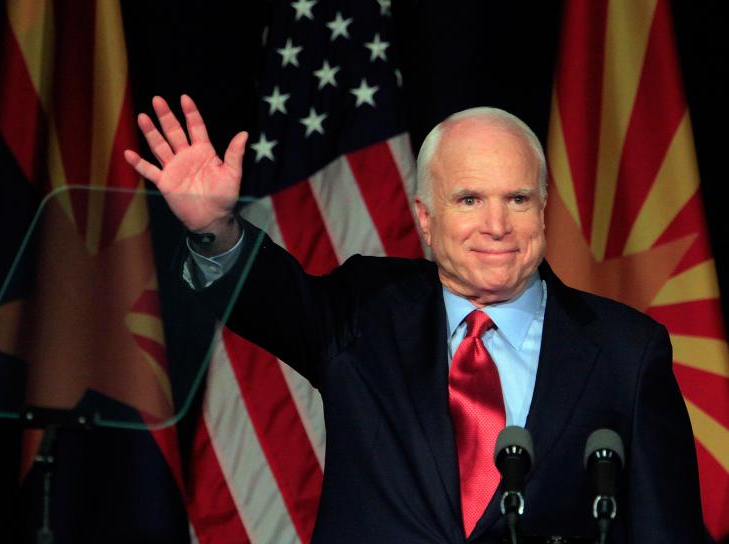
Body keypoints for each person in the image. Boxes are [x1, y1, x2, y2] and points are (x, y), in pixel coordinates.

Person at [125, 95, 705, 543]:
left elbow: (665, 529)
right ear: (426, 221)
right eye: (470, 200)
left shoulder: (627, 351)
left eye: (519, 199)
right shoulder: (364, 313)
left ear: (544, 209)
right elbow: (268, 298)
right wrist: (213, 228)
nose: (497, 225)